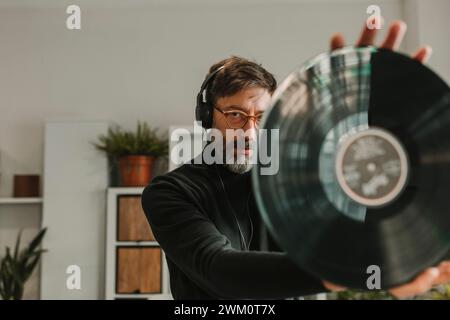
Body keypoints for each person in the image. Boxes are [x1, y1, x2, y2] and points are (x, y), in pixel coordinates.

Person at [141, 19, 450, 300]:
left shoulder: (297, 179)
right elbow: (219, 271)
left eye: (261, 117)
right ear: (207, 117)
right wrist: (336, 273)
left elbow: (362, 227)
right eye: (236, 115)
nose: (250, 132)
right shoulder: (169, 192)